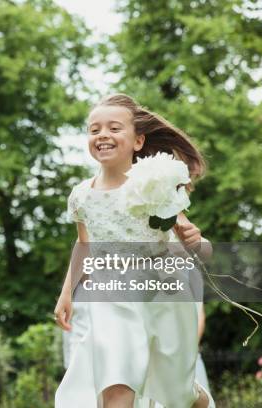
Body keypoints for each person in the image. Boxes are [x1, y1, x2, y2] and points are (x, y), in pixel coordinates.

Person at [54, 94, 214, 407]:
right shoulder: (81, 196)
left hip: (161, 295)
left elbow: (197, 250)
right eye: (94, 129)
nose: (102, 135)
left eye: (114, 128)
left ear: (138, 141)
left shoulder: (153, 184)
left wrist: (195, 241)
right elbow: (84, 245)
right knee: (116, 383)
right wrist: (67, 294)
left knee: (174, 392)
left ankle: (193, 394)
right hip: (111, 298)